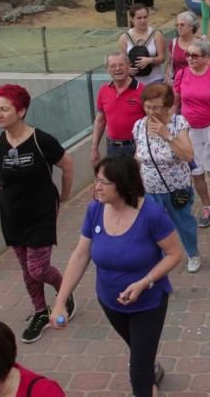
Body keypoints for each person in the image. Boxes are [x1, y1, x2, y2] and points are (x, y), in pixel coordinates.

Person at [50, 156, 182, 397]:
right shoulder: (94, 210)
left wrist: (144, 282)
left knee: (138, 373)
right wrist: (60, 302)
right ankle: (149, 364)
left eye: (104, 182)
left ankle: (146, 378)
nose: (97, 187)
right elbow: (80, 256)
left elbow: (174, 254)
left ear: (123, 184)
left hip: (148, 303)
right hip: (109, 301)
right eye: (96, 180)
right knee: (139, 349)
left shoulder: (151, 215)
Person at [0, 84, 75, 344]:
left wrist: (65, 196)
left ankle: (63, 289)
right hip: (12, 214)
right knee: (26, 269)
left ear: (21, 111)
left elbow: (67, 166)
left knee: (37, 268)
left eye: (4, 109)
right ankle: (40, 312)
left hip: (41, 212)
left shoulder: (41, 140)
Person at [133, 82, 200, 273]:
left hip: (176, 188)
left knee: (183, 223)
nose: (151, 112)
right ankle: (159, 258)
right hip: (150, 188)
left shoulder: (178, 123)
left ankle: (193, 253)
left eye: (156, 107)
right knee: (153, 226)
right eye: (147, 106)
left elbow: (188, 155)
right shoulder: (139, 126)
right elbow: (139, 155)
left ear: (168, 105)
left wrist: (166, 134)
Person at [173, 38, 210, 228]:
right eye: (187, 54)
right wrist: (174, 127)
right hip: (189, 130)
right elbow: (176, 103)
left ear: (206, 58)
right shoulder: (181, 75)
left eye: (194, 55)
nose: (189, 58)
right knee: (196, 172)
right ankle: (208, 206)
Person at [91, 51, 145, 166]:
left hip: (136, 147)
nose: (117, 69)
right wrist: (94, 147)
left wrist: (141, 149)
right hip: (112, 148)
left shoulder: (142, 90)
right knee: (114, 183)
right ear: (107, 70)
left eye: (121, 65)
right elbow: (100, 120)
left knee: (136, 183)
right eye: (113, 66)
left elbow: (151, 121)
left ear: (128, 66)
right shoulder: (103, 90)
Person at [118, 3, 166, 84]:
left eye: (145, 17)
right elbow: (122, 61)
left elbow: (162, 58)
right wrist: (127, 69)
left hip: (155, 79)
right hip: (134, 81)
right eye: (139, 18)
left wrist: (150, 60)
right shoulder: (124, 37)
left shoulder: (156, 34)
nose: (143, 21)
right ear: (132, 19)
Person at [167, 11, 201, 80]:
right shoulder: (173, 43)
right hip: (177, 84)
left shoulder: (201, 44)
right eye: (177, 25)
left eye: (182, 25)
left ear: (191, 26)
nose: (179, 27)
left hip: (197, 83)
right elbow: (169, 64)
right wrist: (168, 79)